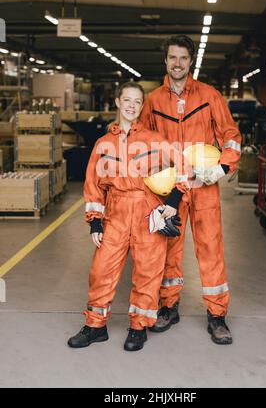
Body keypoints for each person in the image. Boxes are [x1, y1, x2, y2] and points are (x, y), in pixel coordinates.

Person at [68, 82, 186, 352]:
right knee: (101, 271)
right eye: (127, 100)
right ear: (118, 102)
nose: (132, 105)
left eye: (137, 101)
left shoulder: (154, 140)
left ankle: (138, 327)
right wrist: (95, 222)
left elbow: (184, 166)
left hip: (147, 211)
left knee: (147, 272)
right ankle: (95, 326)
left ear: (141, 106)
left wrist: (173, 201)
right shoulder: (103, 144)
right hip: (116, 213)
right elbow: (93, 185)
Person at [140, 35, 241, 344]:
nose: (178, 63)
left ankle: (217, 315)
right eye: (173, 58)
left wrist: (222, 168)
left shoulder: (210, 96)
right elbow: (142, 141)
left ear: (191, 61)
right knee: (169, 248)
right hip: (171, 188)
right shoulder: (154, 100)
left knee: (211, 248)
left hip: (203, 185)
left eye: (183, 58)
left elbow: (231, 135)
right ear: (165, 61)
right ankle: (169, 307)